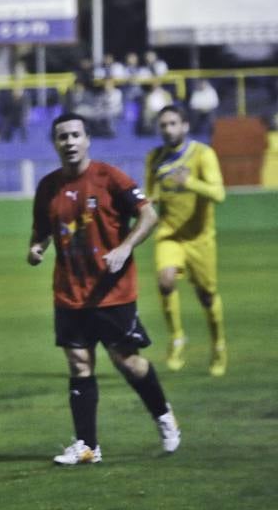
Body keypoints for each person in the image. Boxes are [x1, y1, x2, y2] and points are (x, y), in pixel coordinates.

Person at [28, 112, 181, 466]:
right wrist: (37, 248)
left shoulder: (109, 178)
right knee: (79, 362)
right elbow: (42, 230)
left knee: (127, 361)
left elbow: (148, 214)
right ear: (55, 143)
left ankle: (163, 416)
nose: (69, 142)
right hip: (69, 292)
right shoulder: (48, 187)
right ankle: (87, 446)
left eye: (75, 135)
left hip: (112, 292)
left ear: (87, 139)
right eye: (62, 137)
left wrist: (125, 247)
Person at [144, 105, 227, 376]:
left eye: (172, 124)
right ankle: (177, 338)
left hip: (200, 238)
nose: (168, 129)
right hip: (170, 234)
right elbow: (150, 196)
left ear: (185, 126)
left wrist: (189, 182)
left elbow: (218, 194)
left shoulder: (203, 154)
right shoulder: (154, 158)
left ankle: (218, 345)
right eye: (164, 125)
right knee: (165, 280)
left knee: (207, 296)